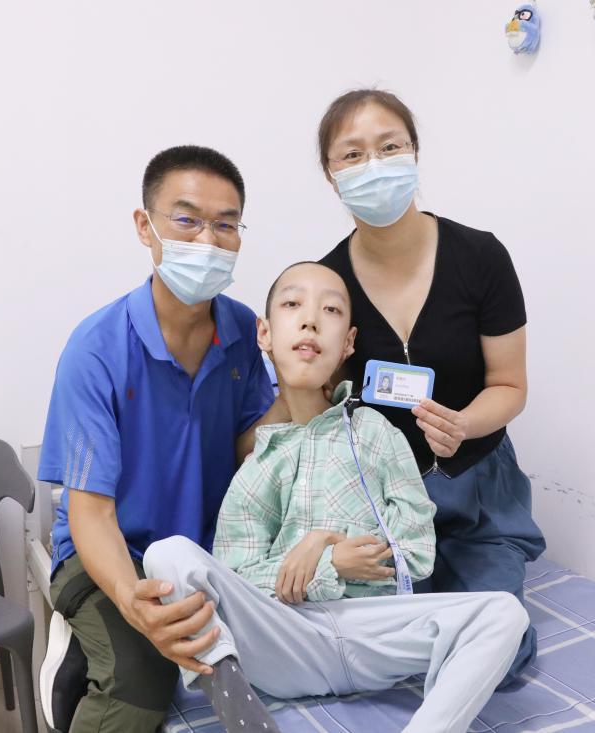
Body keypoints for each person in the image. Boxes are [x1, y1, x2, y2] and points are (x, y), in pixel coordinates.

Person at [143, 262, 529, 733]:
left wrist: (326, 546)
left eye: (330, 310)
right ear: (265, 334)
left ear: (348, 342)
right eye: (292, 305)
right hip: (286, 640)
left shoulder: (377, 435)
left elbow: (416, 554)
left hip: (378, 632)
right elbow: (238, 581)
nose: (310, 320)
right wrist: (326, 566)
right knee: (168, 555)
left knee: (503, 614)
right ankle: (242, 715)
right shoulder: (258, 466)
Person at [37, 145, 285, 732]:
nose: (208, 240)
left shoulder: (243, 332)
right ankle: (85, 651)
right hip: (107, 553)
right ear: (145, 226)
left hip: (206, 549)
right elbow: (91, 514)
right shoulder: (97, 350)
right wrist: (131, 601)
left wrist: (301, 387)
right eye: (187, 219)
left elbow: (250, 450)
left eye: (225, 225)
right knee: (142, 674)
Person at [315, 89, 547, 687]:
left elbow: (510, 384)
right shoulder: (327, 283)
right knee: (355, 634)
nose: (374, 165)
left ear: (414, 153)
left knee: (502, 646)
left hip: (478, 495)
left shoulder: (480, 256)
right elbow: (320, 403)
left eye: (389, 147)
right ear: (331, 176)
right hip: (380, 505)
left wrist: (466, 423)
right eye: (353, 155)